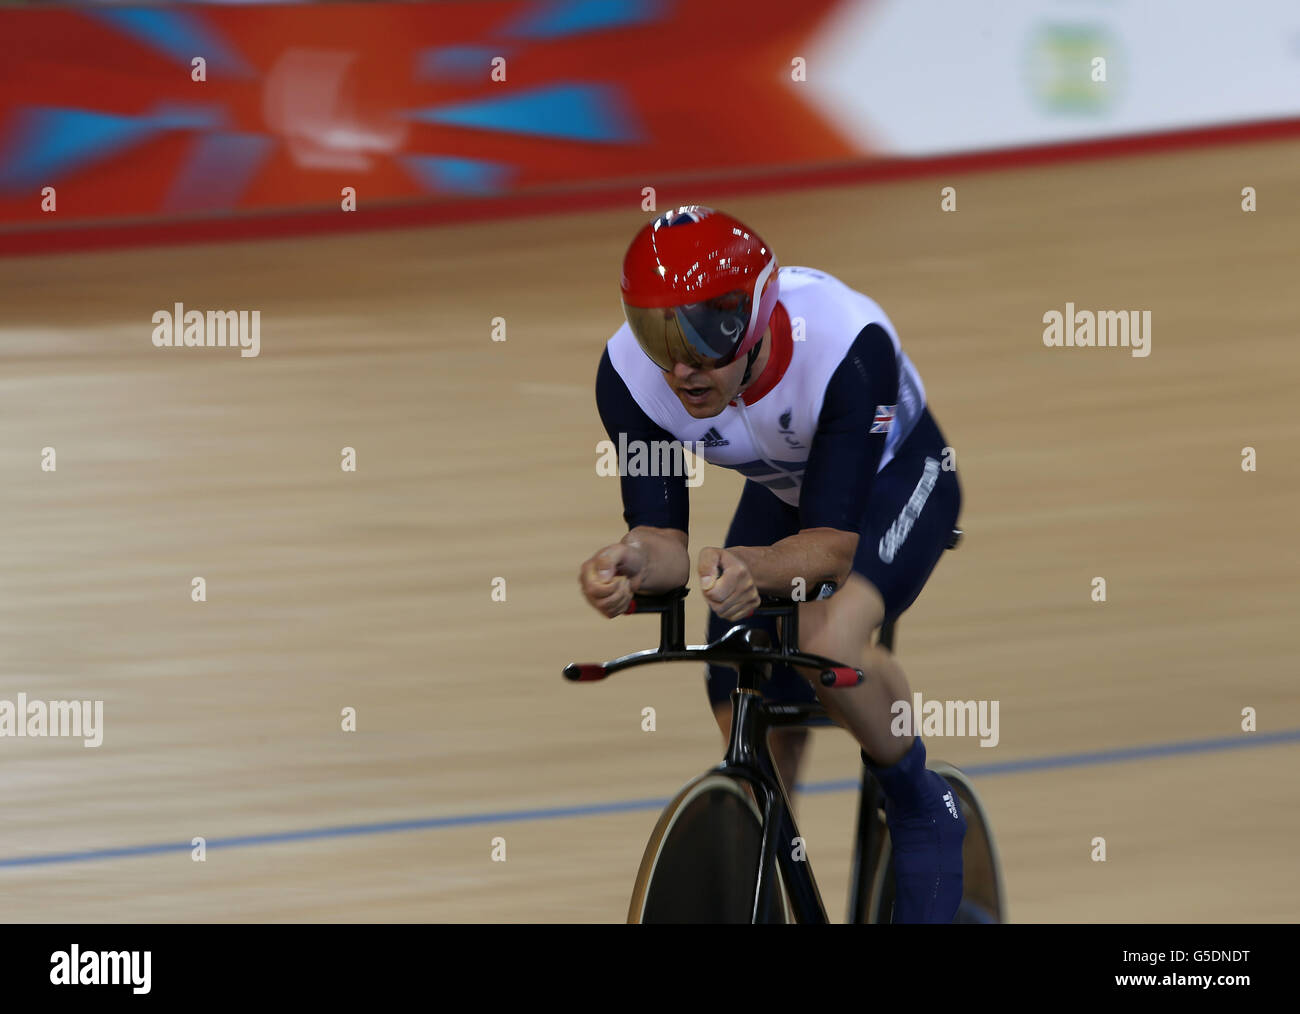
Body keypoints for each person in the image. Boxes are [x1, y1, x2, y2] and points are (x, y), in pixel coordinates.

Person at [577, 206, 965, 923]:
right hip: (791, 496)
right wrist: (630, 559)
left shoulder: (847, 344)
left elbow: (832, 550)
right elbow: (662, 540)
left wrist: (757, 567)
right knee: (734, 667)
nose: (683, 366)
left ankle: (920, 803)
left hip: (895, 478)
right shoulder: (632, 379)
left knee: (825, 641)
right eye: (658, 334)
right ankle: (768, 841)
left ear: (754, 316)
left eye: (702, 335)